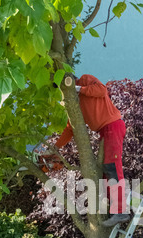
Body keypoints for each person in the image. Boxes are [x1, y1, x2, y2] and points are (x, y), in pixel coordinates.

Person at [54, 74, 129, 227]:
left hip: (113, 125)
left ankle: (120, 211)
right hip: (104, 131)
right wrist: (56, 147)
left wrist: (79, 89)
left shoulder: (85, 80)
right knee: (105, 170)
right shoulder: (76, 102)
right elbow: (70, 128)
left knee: (112, 167)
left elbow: (102, 90)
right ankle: (114, 209)